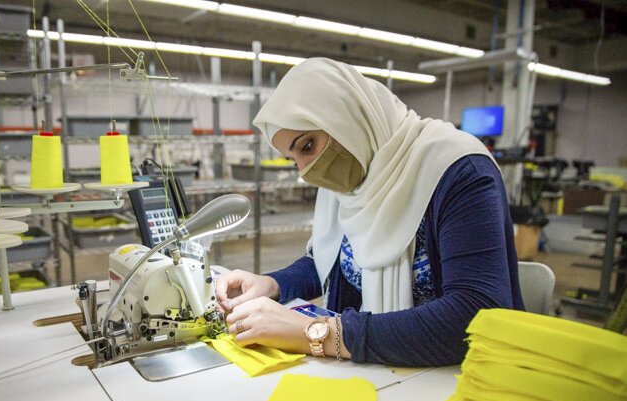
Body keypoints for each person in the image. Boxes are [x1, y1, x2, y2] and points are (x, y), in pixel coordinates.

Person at [216, 57, 524, 367]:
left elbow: (475, 315)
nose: (305, 171)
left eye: (308, 145)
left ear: (346, 119)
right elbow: (333, 259)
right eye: (293, 159)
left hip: (452, 377)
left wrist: (315, 333)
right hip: (375, 370)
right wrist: (272, 284)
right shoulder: (352, 176)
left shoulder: (460, 172)